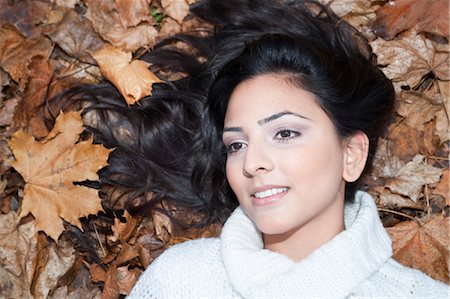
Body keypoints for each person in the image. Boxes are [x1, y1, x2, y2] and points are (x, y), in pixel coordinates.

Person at [75, 0, 448, 297]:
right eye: (236, 144)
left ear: (351, 154)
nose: (251, 162)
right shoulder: (183, 279)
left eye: (284, 133)